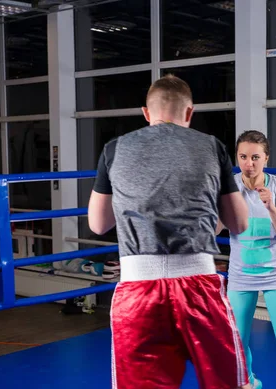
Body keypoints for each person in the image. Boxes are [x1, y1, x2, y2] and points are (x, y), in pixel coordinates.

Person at [87, 74, 252, 389]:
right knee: (228, 384)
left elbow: (98, 224)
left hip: (137, 289)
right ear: (189, 113)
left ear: (146, 113)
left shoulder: (114, 148)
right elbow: (239, 224)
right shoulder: (211, 145)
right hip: (199, 285)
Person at [217, 130, 276, 389]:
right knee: (237, 342)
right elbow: (215, 230)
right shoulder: (229, 187)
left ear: (266, 158)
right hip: (241, 274)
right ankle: (250, 381)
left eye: (255, 157)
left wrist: (271, 208)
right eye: (243, 156)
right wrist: (217, 204)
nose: (249, 163)